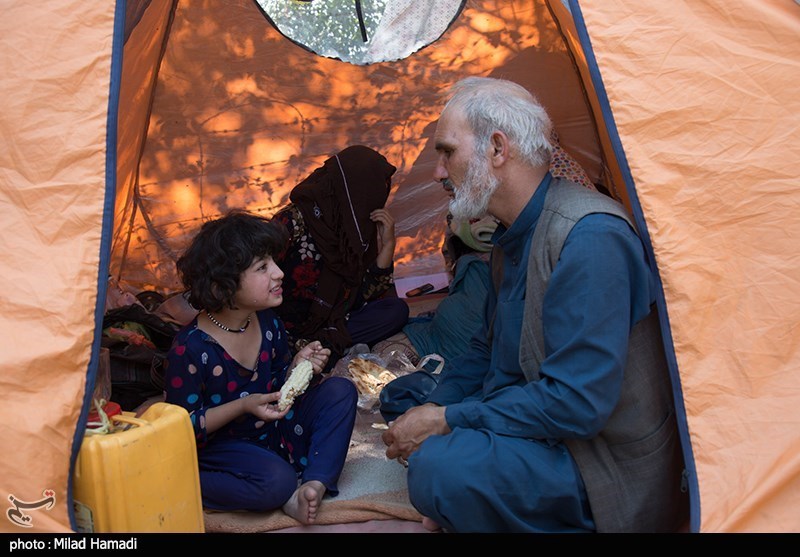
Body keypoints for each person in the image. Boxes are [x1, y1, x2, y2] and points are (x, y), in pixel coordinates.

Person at [381, 77, 688, 533]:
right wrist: (435, 409)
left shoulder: (590, 238)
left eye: (446, 152)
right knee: (402, 399)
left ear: (498, 149)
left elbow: (577, 405)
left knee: (439, 471)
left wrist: (446, 420)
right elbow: (484, 350)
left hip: (597, 461)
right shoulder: (512, 236)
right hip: (533, 415)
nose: (438, 173)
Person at [164, 210, 358, 525]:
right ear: (222, 287)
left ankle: (314, 483)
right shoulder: (191, 349)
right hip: (222, 448)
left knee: (340, 390)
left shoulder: (267, 322)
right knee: (276, 482)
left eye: (274, 262)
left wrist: (299, 366)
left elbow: (278, 385)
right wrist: (242, 405)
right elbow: (180, 428)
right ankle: (182, 482)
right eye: (262, 267)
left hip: (272, 431)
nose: (280, 273)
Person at [272, 145, 410, 366]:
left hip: (332, 323)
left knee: (396, 310)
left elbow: (365, 295)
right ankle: (314, 352)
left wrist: (388, 245)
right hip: (283, 329)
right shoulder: (293, 221)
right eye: (373, 189)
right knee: (267, 333)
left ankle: (322, 350)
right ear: (354, 189)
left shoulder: (355, 229)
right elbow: (253, 279)